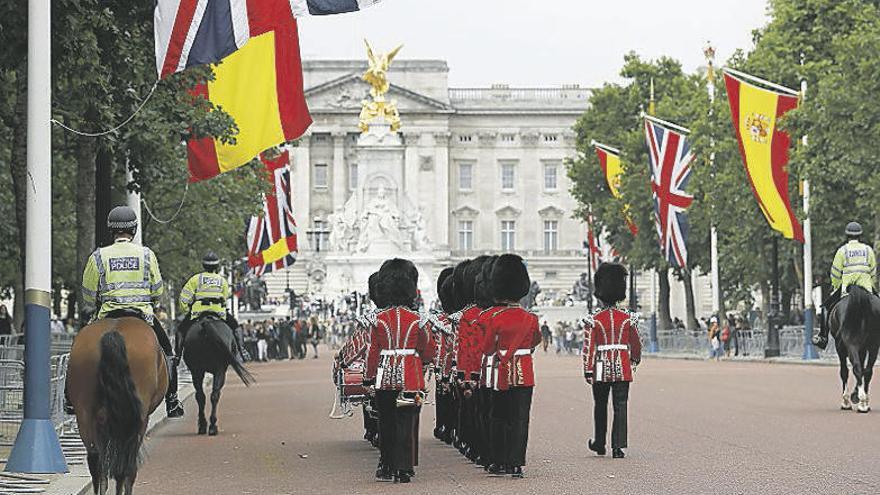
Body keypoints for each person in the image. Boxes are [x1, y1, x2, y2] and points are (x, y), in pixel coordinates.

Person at [78, 205, 183, 417]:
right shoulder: (146, 255)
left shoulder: (98, 256)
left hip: (106, 316)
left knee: (78, 350)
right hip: (141, 316)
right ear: (134, 230)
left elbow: (88, 293)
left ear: (111, 230)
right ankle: (172, 400)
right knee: (168, 353)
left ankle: (70, 399)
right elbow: (157, 290)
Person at [364, 259, 435, 483]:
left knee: (386, 423)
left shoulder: (378, 320)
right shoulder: (419, 320)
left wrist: (368, 379)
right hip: (411, 378)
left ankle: (387, 466)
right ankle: (404, 468)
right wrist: (419, 362)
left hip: (385, 378)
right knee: (406, 421)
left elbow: (373, 353)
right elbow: (428, 350)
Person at [480, 254, 542, 478]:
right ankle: (516, 463)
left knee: (499, 417)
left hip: (501, 374)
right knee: (520, 419)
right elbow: (536, 340)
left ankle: (500, 461)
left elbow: (487, 349)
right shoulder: (531, 319)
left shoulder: (495, 318)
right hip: (524, 372)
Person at [583, 263, 642, 459]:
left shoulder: (594, 319)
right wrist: (634, 359)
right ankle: (618, 446)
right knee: (620, 405)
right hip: (622, 367)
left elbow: (589, 346)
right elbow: (635, 343)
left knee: (600, 405)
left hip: (600, 366)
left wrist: (587, 369)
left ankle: (600, 443)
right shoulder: (627, 319)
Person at [814, 221, 877, 349]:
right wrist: (872, 285)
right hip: (866, 287)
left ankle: (822, 337)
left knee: (826, 307)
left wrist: (836, 286)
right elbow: (873, 270)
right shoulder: (868, 250)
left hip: (847, 288)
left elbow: (835, 272)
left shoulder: (842, 251)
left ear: (847, 236)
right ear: (860, 236)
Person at [176, 252, 242, 359]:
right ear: (217, 266)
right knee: (235, 326)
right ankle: (241, 351)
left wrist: (186, 310)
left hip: (198, 312)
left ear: (203, 265)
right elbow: (224, 298)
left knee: (181, 330)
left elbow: (184, 298)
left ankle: (177, 355)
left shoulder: (195, 279)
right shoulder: (222, 280)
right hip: (219, 312)